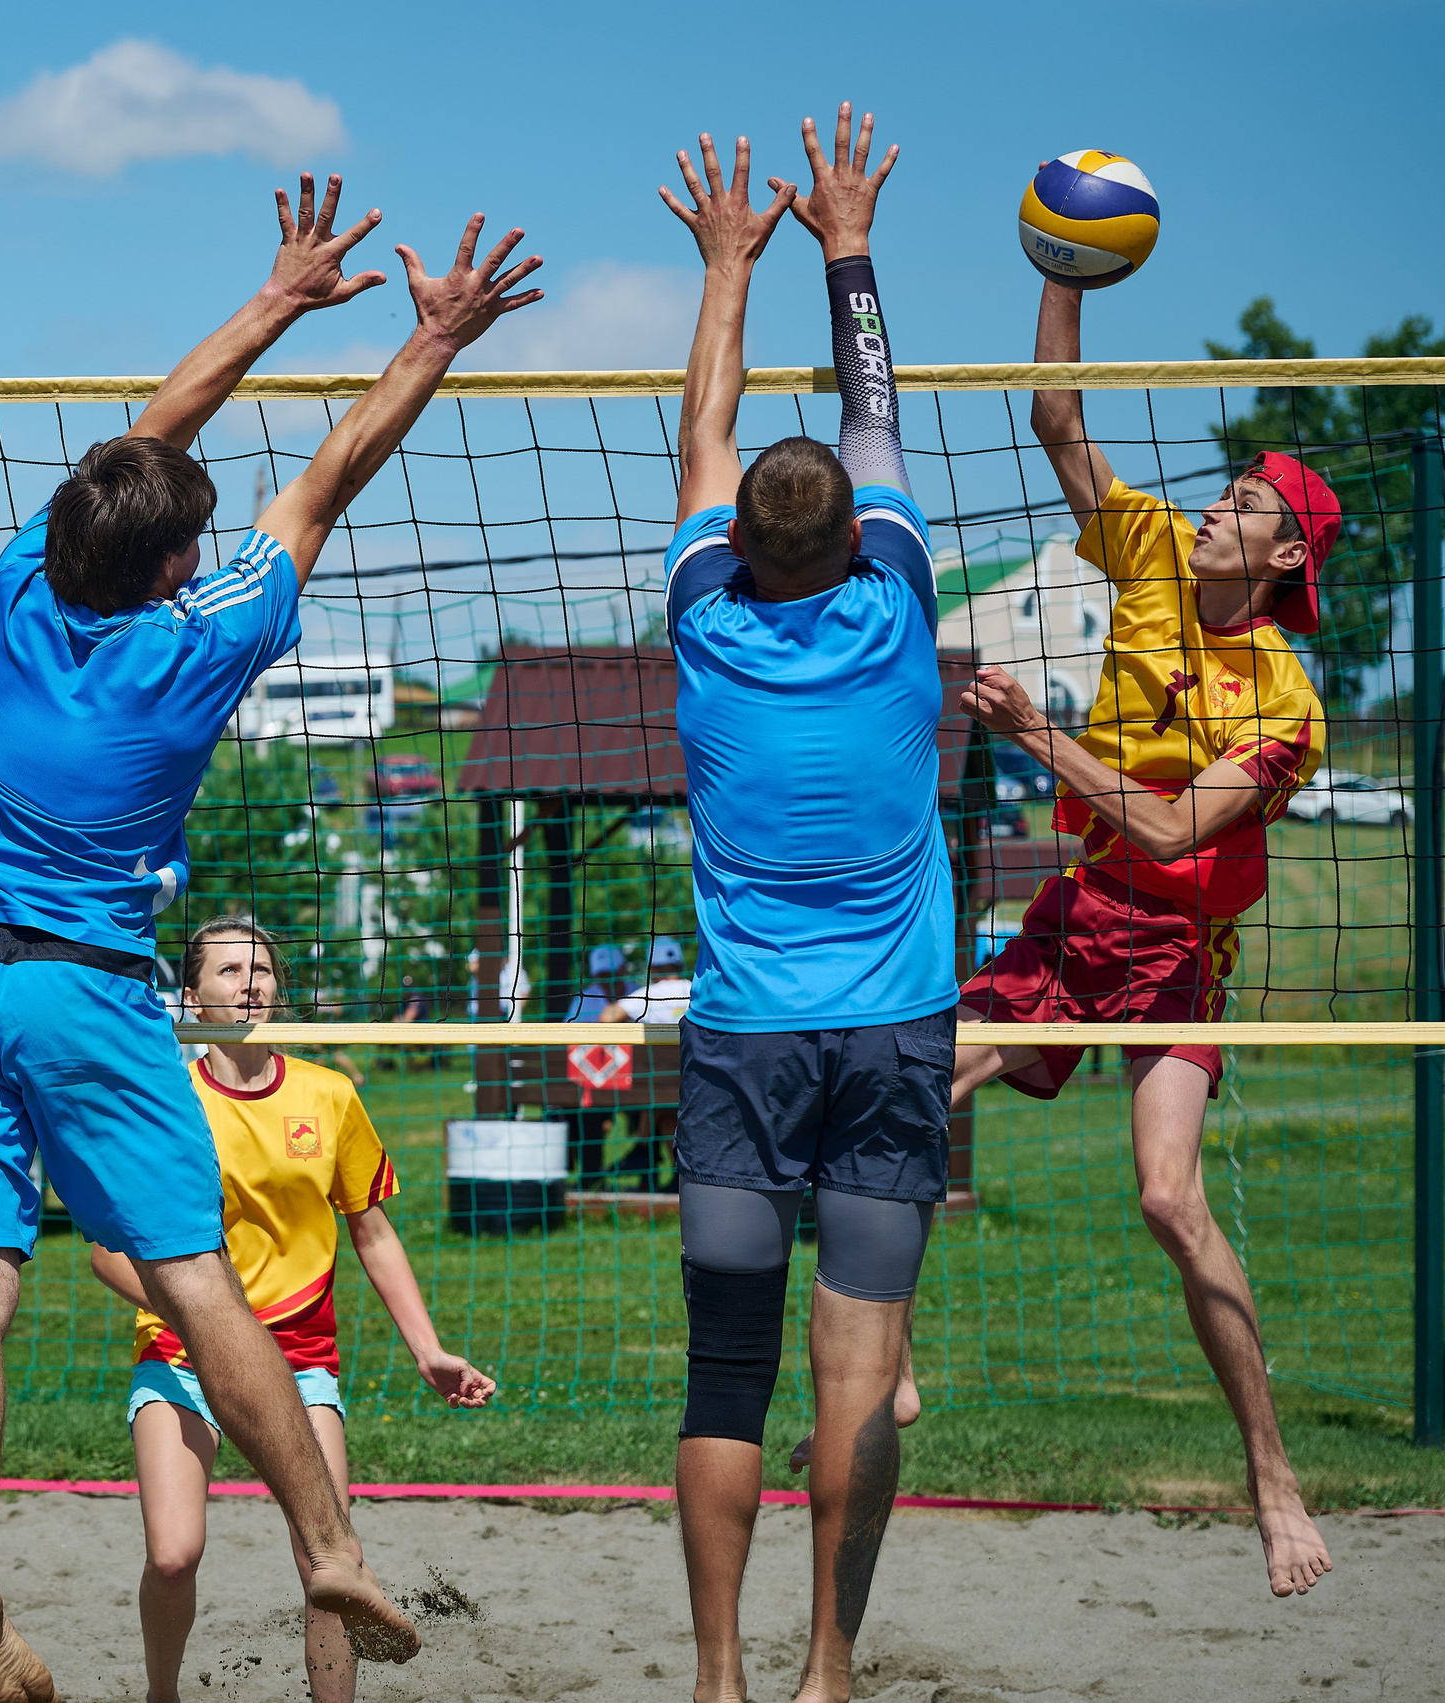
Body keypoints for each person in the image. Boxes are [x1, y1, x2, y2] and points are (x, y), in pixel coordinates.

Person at [0, 170, 540, 1700]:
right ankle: (329, 1544)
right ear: (170, 565)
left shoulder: (20, 582)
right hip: (84, 986)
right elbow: (329, 475)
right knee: (195, 1277)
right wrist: (431, 337)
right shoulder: (203, 637)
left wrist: (272, 299)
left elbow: (148, 439)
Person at [949, 263, 1340, 1599]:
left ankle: (1271, 1477)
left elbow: (1176, 834)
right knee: (900, 1088)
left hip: (1175, 944)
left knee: (1168, 1198)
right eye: (1224, 492)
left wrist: (1035, 733)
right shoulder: (1155, 552)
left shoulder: (1285, 699)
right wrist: (1059, 271)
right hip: (1081, 911)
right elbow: (1056, 416)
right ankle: (882, 1375)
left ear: (1284, 557)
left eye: (1247, 505)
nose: (1216, 506)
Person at [656, 107, 956, 1703]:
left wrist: (727, 263)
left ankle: (718, 1678)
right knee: (857, 1379)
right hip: (893, 1035)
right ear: (857, 536)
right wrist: (849, 244)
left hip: (746, 1040)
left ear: (734, 545)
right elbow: (873, 402)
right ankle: (827, 1670)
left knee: (726, 1377)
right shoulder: (897, 604)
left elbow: (702, 429)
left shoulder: (707, 626)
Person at [89, 917, 495, 1703]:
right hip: (182, 1351)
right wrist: (209, 1316)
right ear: (191, 996)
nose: (250, 981)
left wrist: (429, 1350)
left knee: (329, 1563)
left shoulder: (328, 1093)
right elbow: (107, 1253)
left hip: (299, 1356)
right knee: (173, 1554)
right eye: (229, 969)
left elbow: (373, 1232)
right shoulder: (165, 1100)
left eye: (263, 969)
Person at [595, 938, 698, 1193]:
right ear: (680, 964)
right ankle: (677, 1172)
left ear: (652, 967)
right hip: (695, 1081)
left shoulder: (650, 994)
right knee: (666, 1112)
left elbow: (606, 1018)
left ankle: (642, 1149)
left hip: (656, 1086)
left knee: (659, 1095)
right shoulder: (696, 990)